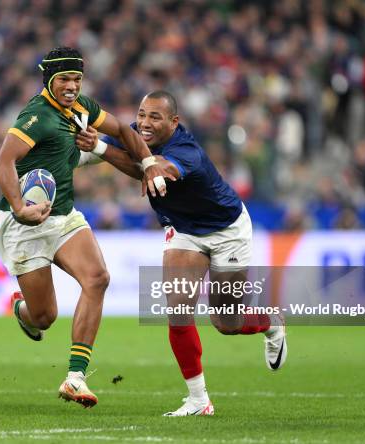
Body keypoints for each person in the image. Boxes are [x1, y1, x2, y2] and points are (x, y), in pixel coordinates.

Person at [76, 90, 287, 416]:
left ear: (174, 122)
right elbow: (99, 151)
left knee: (226, 322)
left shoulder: (185, 150)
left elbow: (153, 170)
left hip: (226, 232)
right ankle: (199, 400)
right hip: (184, 232)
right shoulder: (134, 132)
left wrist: (101, 147)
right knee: (177, 309)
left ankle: (271, 322)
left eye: (154, 117)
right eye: (142, 114)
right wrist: (75, 148)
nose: (144, 123)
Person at [0, 47, 173, 408]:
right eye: (65, 79)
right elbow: (3, 162)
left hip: (63, 217)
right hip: (25, 224)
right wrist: (19, 208)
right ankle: (23, 309)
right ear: (49, 80)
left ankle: (75, 377)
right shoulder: (36, 116)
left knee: (97, 278)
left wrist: (150, 162)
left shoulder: (81, 107)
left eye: (77, 78)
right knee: (44, 317)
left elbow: (123, 128)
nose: (72, 86)